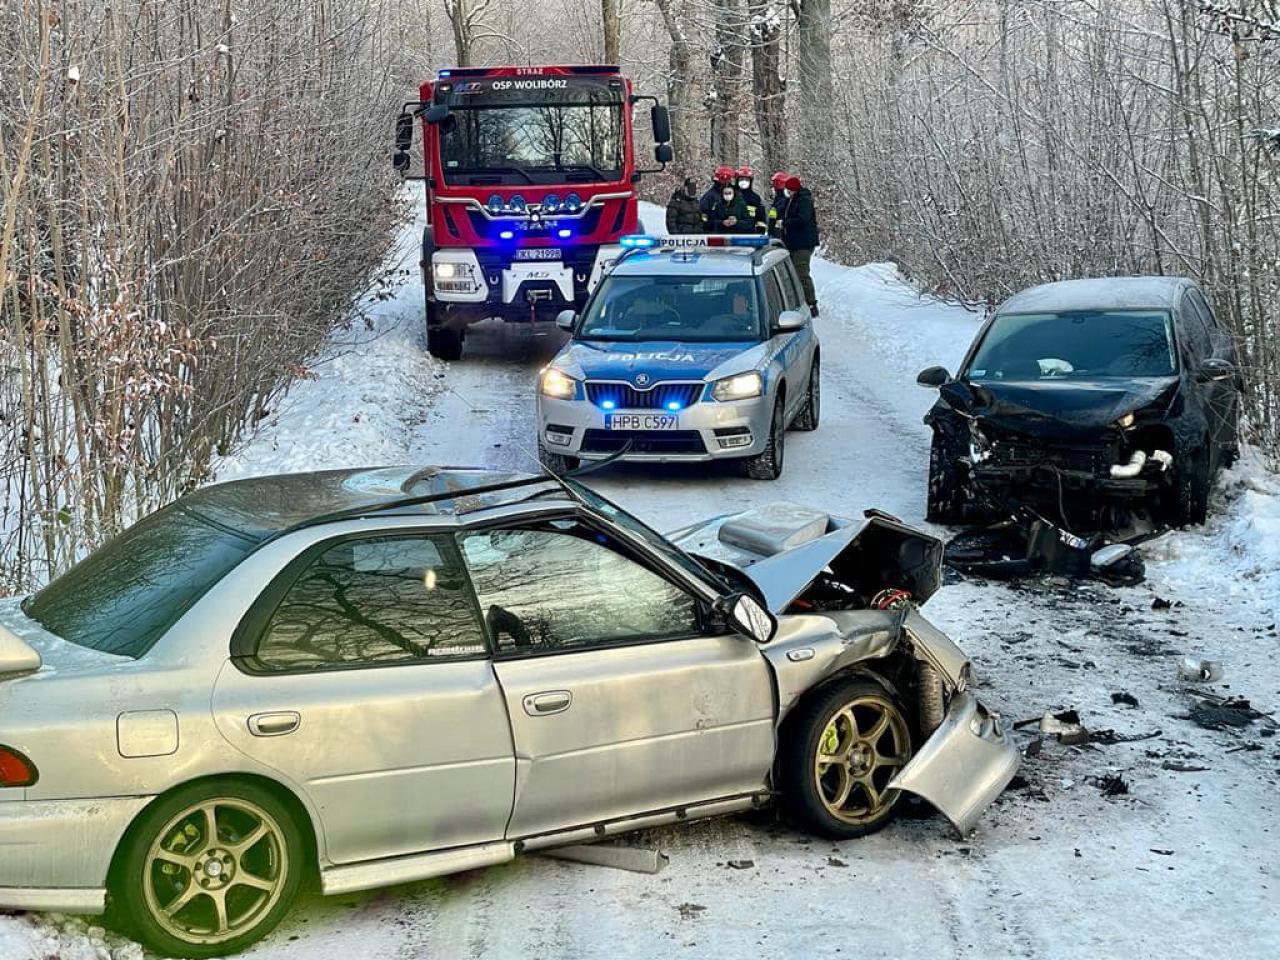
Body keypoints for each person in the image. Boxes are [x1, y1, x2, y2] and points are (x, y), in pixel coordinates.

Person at [781, 175, 820, 316]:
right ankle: (798, 301)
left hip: (803, 243)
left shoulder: (803, 201)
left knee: (801, 273)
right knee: (793, 273)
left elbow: (803, 219)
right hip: (793, 243)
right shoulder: (791, 200)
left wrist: (785, 223)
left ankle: (811, 304)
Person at [700, 165, 736, 229]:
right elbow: (703, 221)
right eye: (727, 179)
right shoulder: (709, 197)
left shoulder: (735, 195)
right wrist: (721, 223)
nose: (729, 182)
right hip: (715, 234)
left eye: (730, 179)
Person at [735, 166, 768, 233]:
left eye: (746, 179)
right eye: (741, 179)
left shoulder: (755, 198)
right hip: (732, 233)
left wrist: (761, 230)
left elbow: (761, 217)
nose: (744, 182)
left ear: (751, 181)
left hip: (750, 234)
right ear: (737, 180)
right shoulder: (731, 195)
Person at [767, 171, 790, 238]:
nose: (773, 186)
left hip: (779, 233)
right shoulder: (778, 199)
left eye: (774, 183)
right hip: (776, 231)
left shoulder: (782, 200)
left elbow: (776, 217)